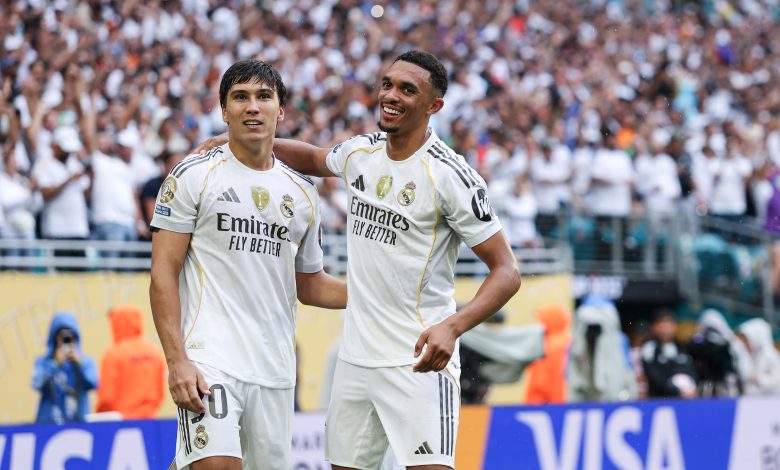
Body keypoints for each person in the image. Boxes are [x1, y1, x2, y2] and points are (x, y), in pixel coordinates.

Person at [200, 50, 521, 470]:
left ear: (434, 106)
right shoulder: (361, 153)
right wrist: (237, 139)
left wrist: (453, 326)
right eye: (387, 84)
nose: (391, 95)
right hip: (356, 360)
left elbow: (508, 271)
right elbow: (314, 158)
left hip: (419, 361)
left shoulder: (451, 176)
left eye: (408, 90)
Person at [150, 60, 346, 470]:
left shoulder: (303, 194)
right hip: (210, 359)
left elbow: (309, 285)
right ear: (224, 110)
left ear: (281, 110)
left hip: (274, 371)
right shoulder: (193, 175)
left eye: (263, 97)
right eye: (240, 97)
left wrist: (376, 292)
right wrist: (177, 361)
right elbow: (163, 273)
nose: (252, 107)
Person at [96, 305, 166, 419]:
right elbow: (160, 393)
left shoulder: (113, 353)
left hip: (122, 423)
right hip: (150, 420)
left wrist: (102, 417)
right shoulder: (155, 352)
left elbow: (106, 397)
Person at [32, 311, 98, 424]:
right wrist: (55, 364)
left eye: (69, 335)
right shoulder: (43, 362)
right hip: (48, 422)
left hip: (79, 422)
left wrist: (80, 364)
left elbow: (94, 383)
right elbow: (37, 384)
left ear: (75, 337)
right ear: (54, 337)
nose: (65, 339)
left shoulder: (86, 362)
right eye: (61, 335)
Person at [568, 296, 637, 402]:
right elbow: (572, 368)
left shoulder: (619, 340)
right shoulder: (576, 341)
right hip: (585, 387)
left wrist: (628, 391)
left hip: (611, 388)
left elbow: (627, 367)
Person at [639, 309, 698, 398]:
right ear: (654, 327)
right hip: (660, 400)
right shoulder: (649, 348)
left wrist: (691, 387)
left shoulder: (682, 347)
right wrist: (675, 390)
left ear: (675, 326)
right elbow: (653, 376)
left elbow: (692, 370)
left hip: (685, 398)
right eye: (662, 324)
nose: (665, 329)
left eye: (668, 324)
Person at [524, 304, 572, 404]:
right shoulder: (569, 340)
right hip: (564, 401)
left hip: (544, 405)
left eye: (541, 321)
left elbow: (541, 382)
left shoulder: (545, 345)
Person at [737, 318, 780, 395]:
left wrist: (757, 378)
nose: (745, 344)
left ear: (756, 338)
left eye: (747, 341)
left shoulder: (771, 356)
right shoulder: (748, 356)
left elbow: (777, 380)